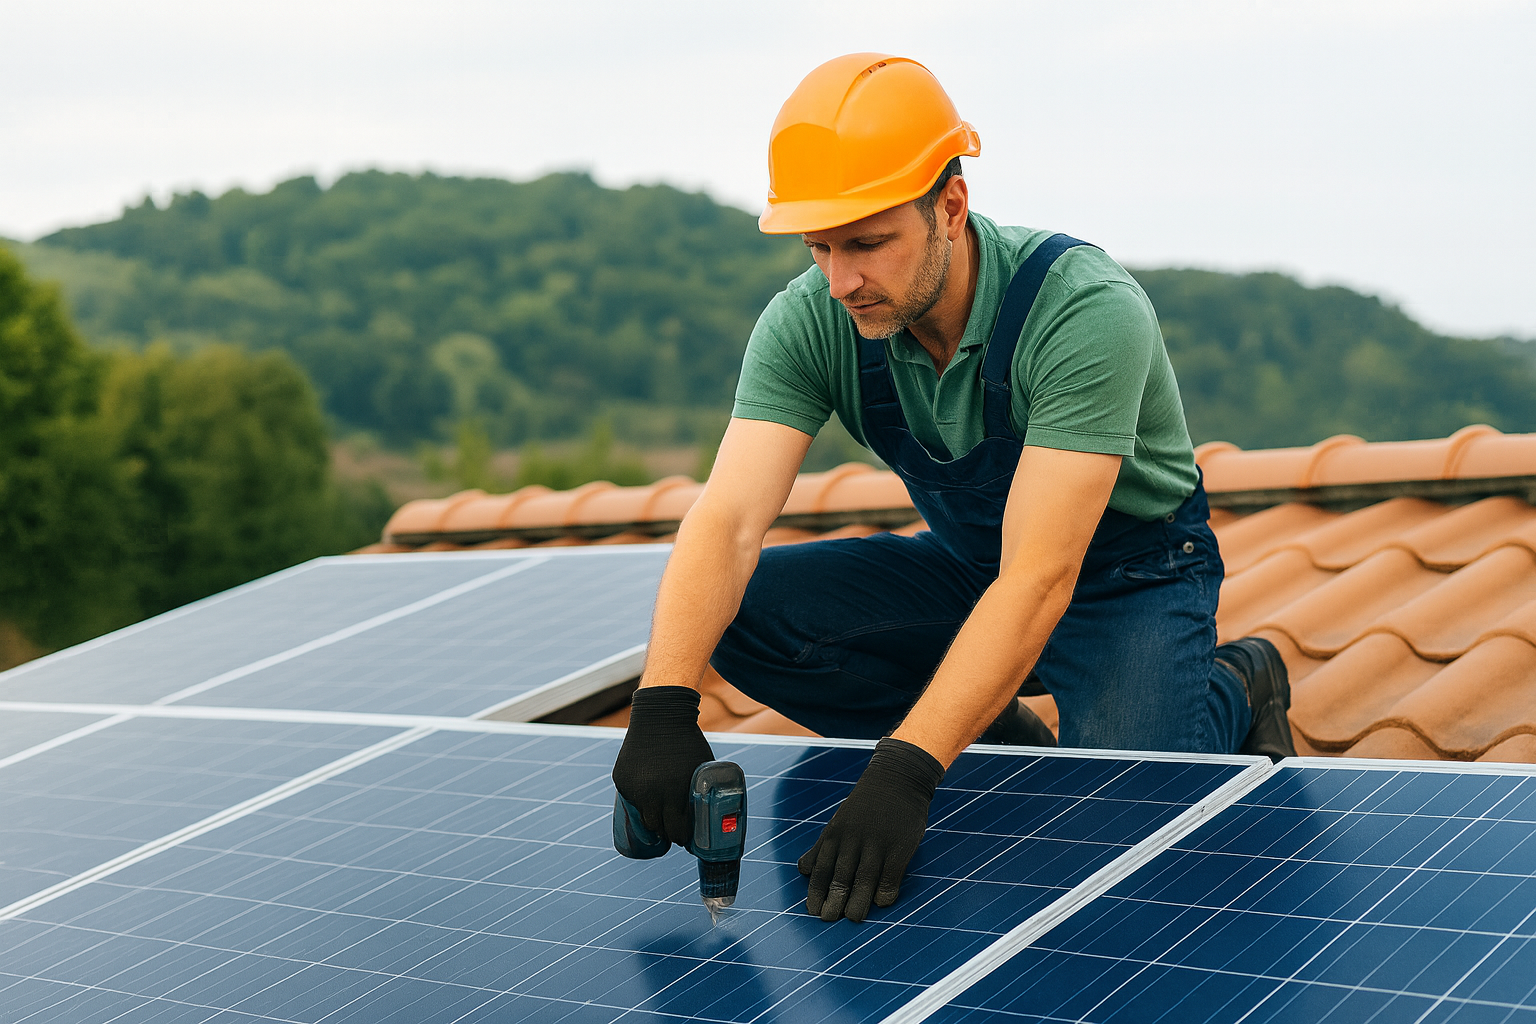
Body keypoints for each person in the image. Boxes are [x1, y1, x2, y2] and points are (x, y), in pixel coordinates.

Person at [612, 53, 1294, 925]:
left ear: (950, 208)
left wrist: (906, 769)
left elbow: (1040, 578)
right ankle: (992, 727)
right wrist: (663, 704)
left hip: (1128, 578)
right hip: (977, 566)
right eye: (819, 246)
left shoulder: (1082, 310)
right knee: (741, 610)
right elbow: (728, 521)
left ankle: (1240, 683)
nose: (840, 280)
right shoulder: (813, 319)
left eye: (866, 243)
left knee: (1122, 831)